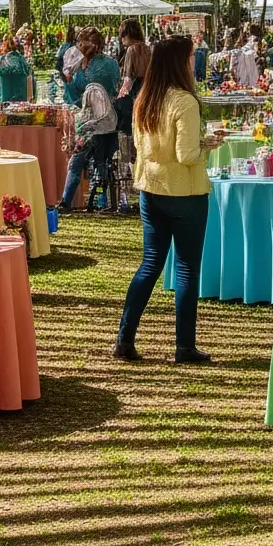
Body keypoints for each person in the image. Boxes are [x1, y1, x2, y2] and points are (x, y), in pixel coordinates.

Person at [113, 31, 211, 366]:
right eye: (190, 58)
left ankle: (124, 337)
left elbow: (142, 148)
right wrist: (208, 146)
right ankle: (184, 346)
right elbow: (186, 154)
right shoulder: (184, 101)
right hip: (184, 191)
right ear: (181, 63)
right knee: (186, 269)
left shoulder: (146, 98)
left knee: (150, 264)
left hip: (151, 189)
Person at [63, 28, 121, 213]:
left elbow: (71, 95)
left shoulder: (78, 67)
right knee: (102, 161)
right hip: (108, 119)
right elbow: (116, 88)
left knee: (77, 160)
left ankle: (66, 200)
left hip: (87, 121)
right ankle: (101, 200)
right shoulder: (111, 64)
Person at [0, 28, 35, 107]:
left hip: (4, 101)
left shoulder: (1, 60)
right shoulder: (23, 61)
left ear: (4, 47)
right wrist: (30, 100)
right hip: (21, 102)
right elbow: (29, 80)